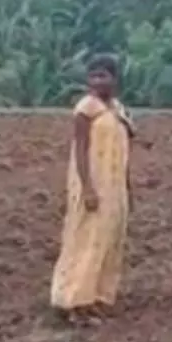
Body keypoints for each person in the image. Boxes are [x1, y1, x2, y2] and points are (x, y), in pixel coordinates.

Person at [50, 53, 134, 323]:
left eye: (103, 75)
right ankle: (74, 301)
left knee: (108, 240)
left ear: (115, 79)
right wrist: (87, 188)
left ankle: (97, 297)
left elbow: (124, 150)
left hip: (114, 185)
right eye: (93, 76)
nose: (98, 81)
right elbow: (81, 150)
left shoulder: (118, 110)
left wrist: (127, 187)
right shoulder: (86, 110)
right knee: (86, 240)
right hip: (93, 184)